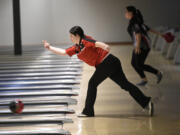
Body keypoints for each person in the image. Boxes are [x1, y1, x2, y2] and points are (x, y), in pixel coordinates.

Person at [43, 26, 154, 117]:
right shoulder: (77, 47)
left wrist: (105, 46)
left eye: (71, 36)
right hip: (112, 62)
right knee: (125, 85)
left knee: (92, 83)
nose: (70, 38)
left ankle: (88, 111)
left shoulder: (85, 40)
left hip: (106, 62)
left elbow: (95, 43)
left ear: (77, 35)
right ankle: (146, 102)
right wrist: (50, 47)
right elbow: (63, 52)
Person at [125, 6, 163, 86]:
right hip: (140, 45)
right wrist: (161, 34)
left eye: (126, 12)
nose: (125, 14)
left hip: (142, 46)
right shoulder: (136, 21)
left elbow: (138, 34)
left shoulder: (134, 23)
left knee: (139, 64)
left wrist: (138, 46)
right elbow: (148, 29)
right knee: (134, 63)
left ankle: (158, 73)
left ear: (131, 13)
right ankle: (144, 79)